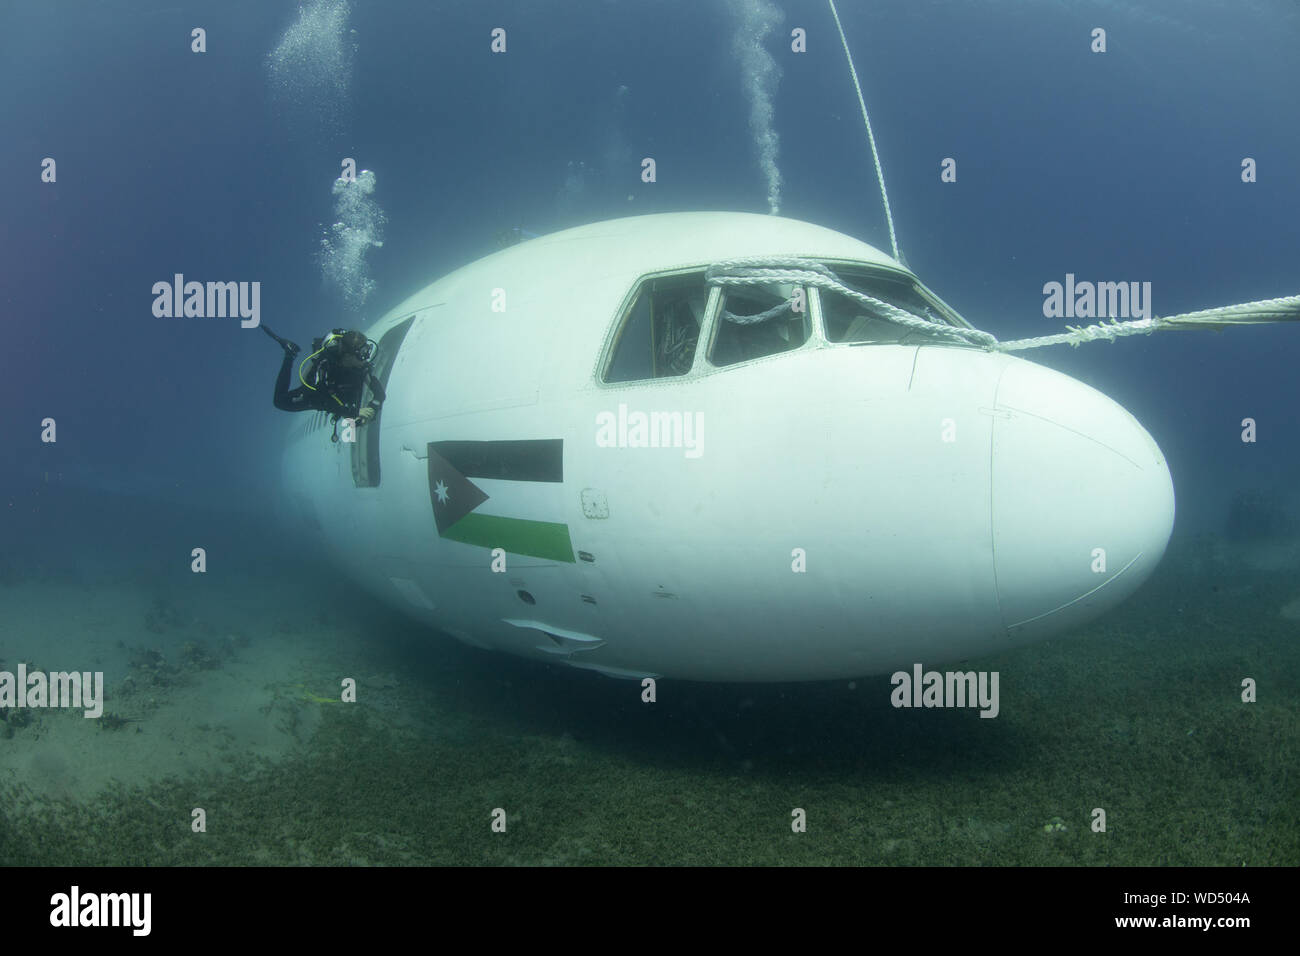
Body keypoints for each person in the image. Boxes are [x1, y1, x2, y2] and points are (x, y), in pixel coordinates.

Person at [270, 328, 385, 440]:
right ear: (348, 356)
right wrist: (352, 412)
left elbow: (379, 393)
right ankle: (290, 354)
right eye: (362, 354)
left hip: (336, 396)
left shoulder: (360, 367)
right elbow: (319, 399)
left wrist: (373, 408)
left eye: (367, 350)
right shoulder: (326, 364)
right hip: (318, 393)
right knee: (280, 401)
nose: (366, 358)